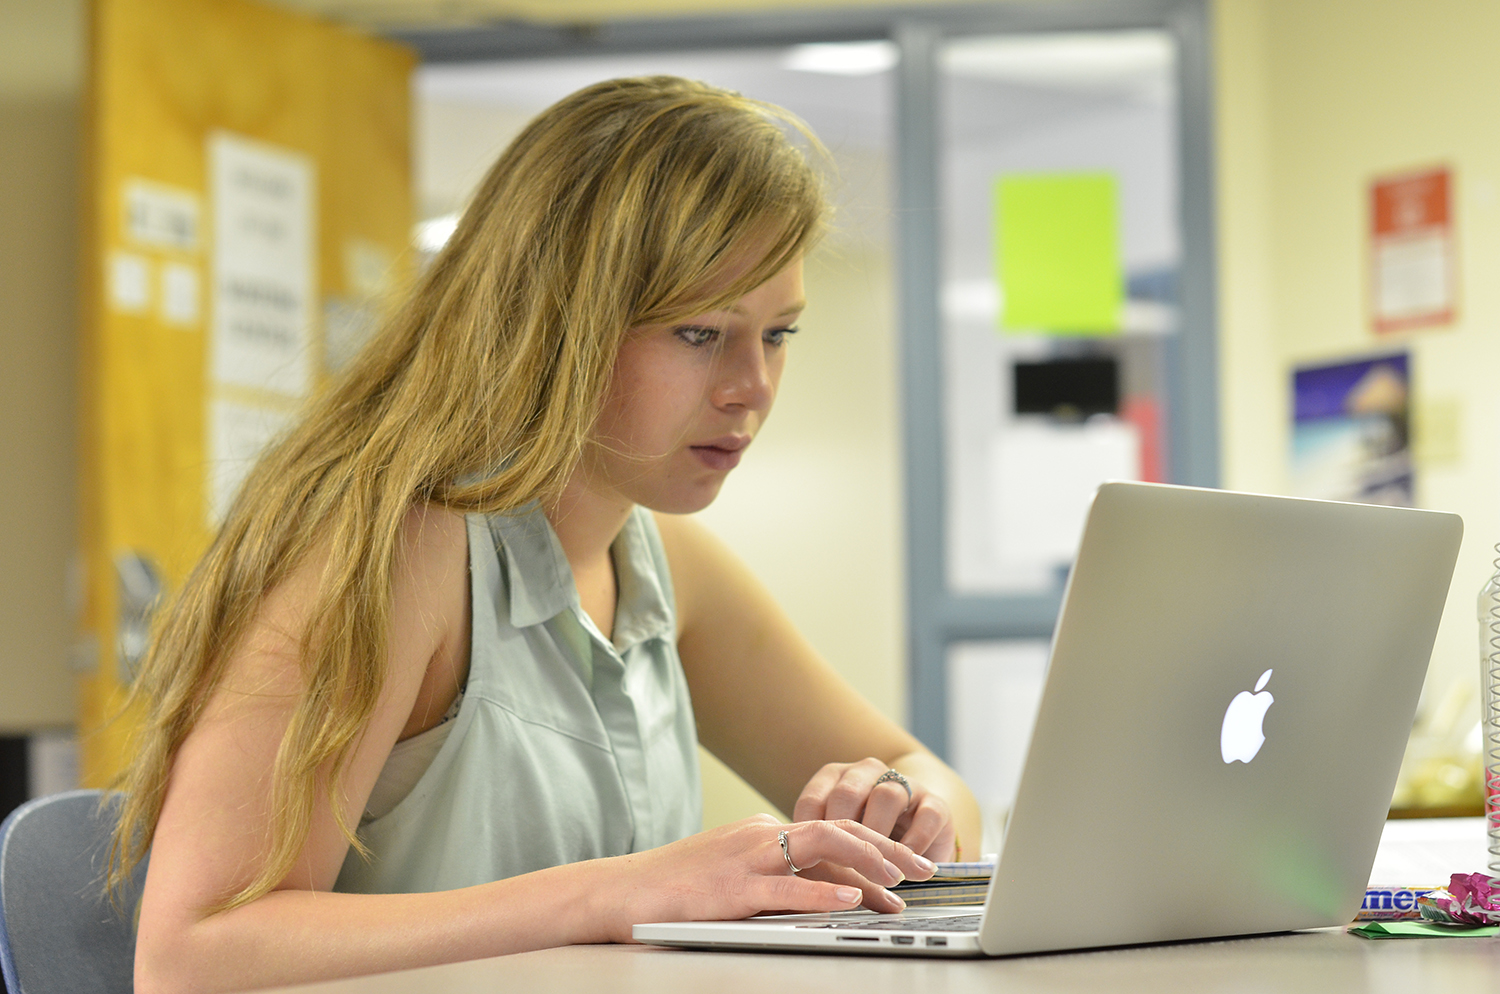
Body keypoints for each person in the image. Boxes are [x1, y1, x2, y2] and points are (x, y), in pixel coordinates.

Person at [111, 76, 982, 993]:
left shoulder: (664, 561)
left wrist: (906, 811)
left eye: (778, 334)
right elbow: (189, 955)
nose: (751, 386)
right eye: (699, 333)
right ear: (559, 321)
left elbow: (928, 773)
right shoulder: (394, 550)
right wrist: (621, 894)